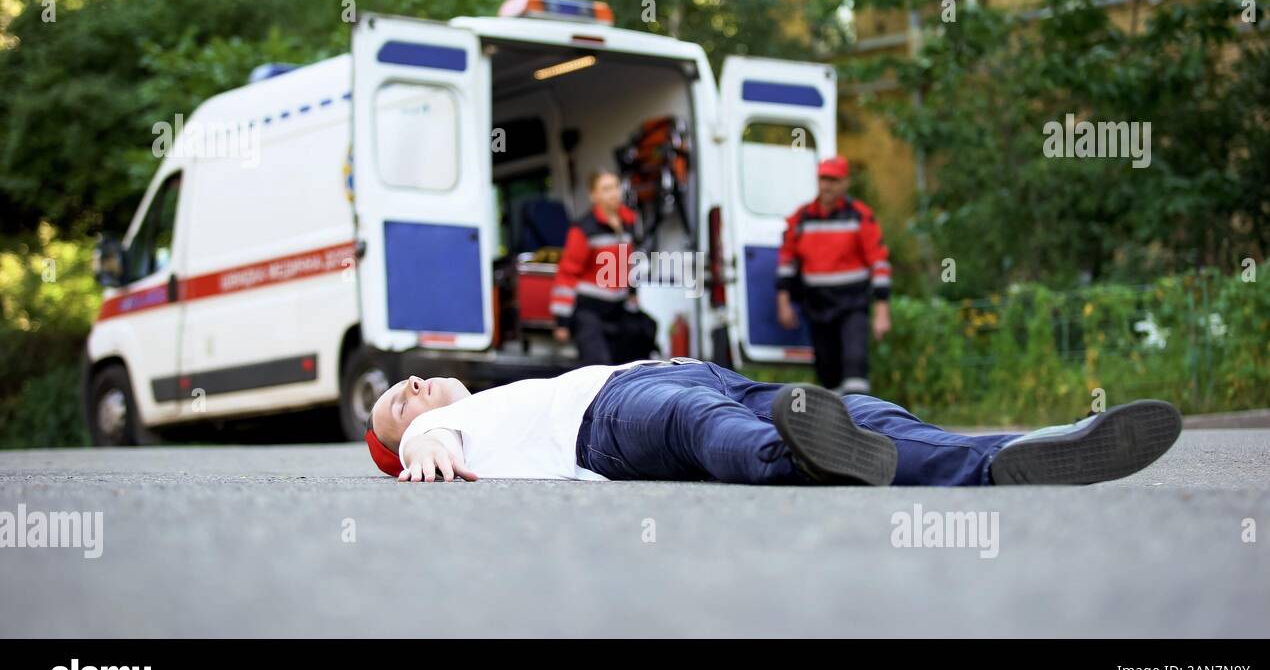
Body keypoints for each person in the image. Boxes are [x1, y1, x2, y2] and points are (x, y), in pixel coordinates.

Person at [363, 358, 1183, 488]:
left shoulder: (484, 394)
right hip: (611, 417)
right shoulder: (452, 429)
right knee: (698, 423)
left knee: (859, 410)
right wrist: (423, 447)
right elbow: (432, 446)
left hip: (687, 371)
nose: (408, 386)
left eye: (402, 385)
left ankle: (1002, 460)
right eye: (397, 403)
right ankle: (797, 456)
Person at [777, 155, 891, 395]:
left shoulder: (859, 216)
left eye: (833, 179)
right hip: (817, 307)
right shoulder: (801, 218)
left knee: (854, 361)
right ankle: (837, 424)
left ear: (845, 183)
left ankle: (860, 421)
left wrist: (882, 312)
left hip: (853, 304)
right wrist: (784, 304)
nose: (826, 185)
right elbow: (786, 263)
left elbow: (879, 263)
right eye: (822, 179)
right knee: (827, 371)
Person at [550, 169, 642, 365]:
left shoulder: (628, 222)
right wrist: (562, 322)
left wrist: (633, 293)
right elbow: (567, 275)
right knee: (598, 370)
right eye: (606, 189)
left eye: (616, 187)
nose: (614, 193)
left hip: (618, 309)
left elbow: (628, 263)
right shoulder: (583, 229)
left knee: (630, 364)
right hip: (589, 311)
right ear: (594, 195)